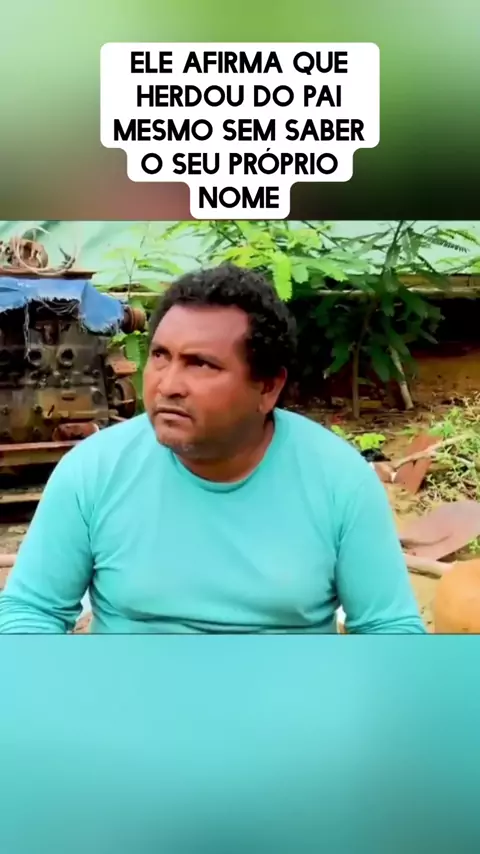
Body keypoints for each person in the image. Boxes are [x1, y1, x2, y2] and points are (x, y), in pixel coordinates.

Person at [0, 264, 425, 634]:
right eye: (160, 356)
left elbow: (389, 627)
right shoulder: (93, 471)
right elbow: (31, 610)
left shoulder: (339, 481)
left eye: (201, 364)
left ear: (268, 387)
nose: (168, 385)